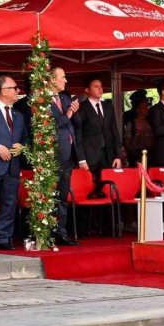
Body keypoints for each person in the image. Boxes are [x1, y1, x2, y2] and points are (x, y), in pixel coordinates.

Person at [0, 76, 25, 249]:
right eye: (14, 87)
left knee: (9, 204)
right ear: (4, 91)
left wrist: (21, 146)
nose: (18, 91)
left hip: (12, 167)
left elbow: (25, 138)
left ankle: (4, 239)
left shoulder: (18, 115)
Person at [74, 76, 122, 196]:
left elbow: (114, 131)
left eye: (101, 86)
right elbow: (77, 135)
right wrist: (81, 159)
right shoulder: (81, 108)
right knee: (90, 190)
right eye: (96, 86)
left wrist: (118, 155)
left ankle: (107, 214)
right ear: (87, 90)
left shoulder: (108, 107)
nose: (100, 89)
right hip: (89, 155)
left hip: (108, 154)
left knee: (107, 188)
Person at [50, 67, 81, 246]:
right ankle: (50, 231)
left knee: (63, 195)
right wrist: (69, 113)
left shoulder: (65, 98)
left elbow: (74, 124)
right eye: (63, 77)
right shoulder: (43, 100)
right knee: (52, 195)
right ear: (52, 80)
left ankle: (61, 232)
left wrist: (75, 112)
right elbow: (55, 124)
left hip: (69, 155)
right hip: (54, 155)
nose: (66, 81)